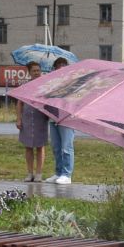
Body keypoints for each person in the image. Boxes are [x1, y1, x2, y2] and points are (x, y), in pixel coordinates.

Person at [46, 57, 77, 185]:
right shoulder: (52, 82)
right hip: (53, 117)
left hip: (66, 118)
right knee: (56, 147)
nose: (61, 69)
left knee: (66, 147)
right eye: (58, 66)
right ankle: (58, 172)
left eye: (63, 66)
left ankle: (67, 174)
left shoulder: (73, 83)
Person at [17, 62, 49, 182]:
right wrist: (19, 119)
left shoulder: (45, 85)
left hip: (41, 118)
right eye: (34, 71)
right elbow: (19, 103)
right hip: (27, 119)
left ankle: (39, 173)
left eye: (38, 70)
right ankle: (30, 173)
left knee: (40, 146)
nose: (36, 73)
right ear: (29, 72)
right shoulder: (25, 86)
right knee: (28, 146)